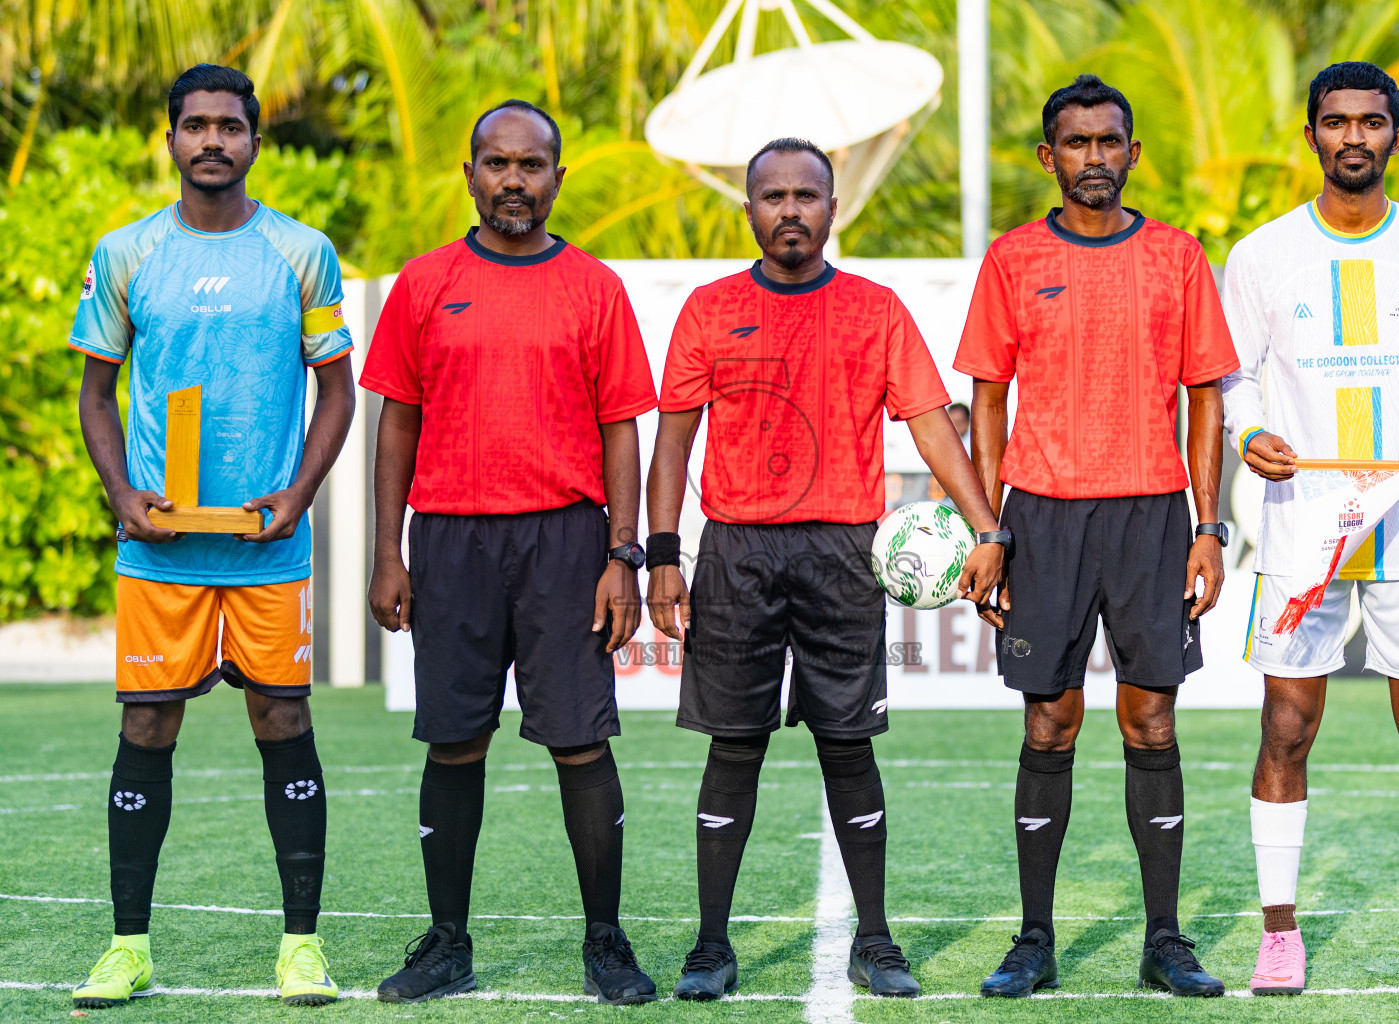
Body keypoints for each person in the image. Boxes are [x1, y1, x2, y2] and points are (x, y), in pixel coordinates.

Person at [646, 137, 1008, 1001]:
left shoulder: (875, 310)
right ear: (749, 211)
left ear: (833, 209)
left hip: (845, 554)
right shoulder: (708, 308)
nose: (790, 210)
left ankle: (875, 941)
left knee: (850, 747)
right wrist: (661, 555)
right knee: (733, 747)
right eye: (772, 196)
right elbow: (671, 445)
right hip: (737, 552)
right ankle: (709, 945)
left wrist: (987, 529)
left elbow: (930, 427)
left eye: (806, 195)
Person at [69, 64, 355, 1008]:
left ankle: (301, 947)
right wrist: (121, 492)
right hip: (161, 548)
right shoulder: (124, 253)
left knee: (284, 720)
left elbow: (338, 390)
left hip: (267, 548)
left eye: (229, 126)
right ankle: (127, 947)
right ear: (170, 139)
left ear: (254, 142)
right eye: (194, 125)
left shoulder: (303, 252)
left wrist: (300, 491)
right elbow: (96, 393)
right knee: (146, 724)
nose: (211, 142)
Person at [361, 99, 658, 1006]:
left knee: (580, 742)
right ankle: (447, 941)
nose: (514, 182)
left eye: (532, 166)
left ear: (558, 178)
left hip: (566, 541)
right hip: (448, 538)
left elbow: (621, 430)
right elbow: (395, 424)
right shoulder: (422, 283)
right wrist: (387, 551)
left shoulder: (594, 287)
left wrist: (624, 555)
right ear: (470, 174)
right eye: (497, 163)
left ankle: (604, 940)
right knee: (454, 744)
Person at [1221, 61, 1399, 997]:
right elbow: (1236, 378)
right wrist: (1250, 431)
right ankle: (1278, 935)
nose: (1354, 137)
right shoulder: (1262, 256)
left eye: (1370, 122)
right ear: (1311, 136)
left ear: (1396, 135)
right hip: (1304, 526)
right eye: (1336, 122)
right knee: (1287, 727)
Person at [957, 74, 1237, 998]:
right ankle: (1033, 939)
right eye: (1075, 144)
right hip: (1042, 516)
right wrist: (991, 524)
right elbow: (987, 398)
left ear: (1132, 153)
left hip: (1153, 515)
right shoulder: (1011, 259)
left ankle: (1165, 939)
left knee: (1150, 719)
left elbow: (1206, 395)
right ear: (1049, 156)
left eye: (1108, 142)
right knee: (1051, 718)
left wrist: (1207, 523)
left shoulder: (1178, 258)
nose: (1093, 159)